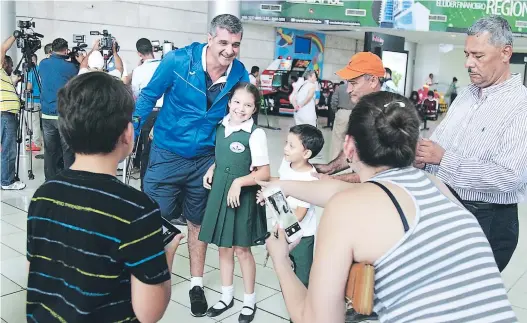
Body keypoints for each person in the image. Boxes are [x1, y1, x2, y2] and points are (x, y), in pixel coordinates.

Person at [261, 91, 517, 323]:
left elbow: (314, 320)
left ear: (349, 147)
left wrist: (281, 258)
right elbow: (343, 192)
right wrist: (282, 185)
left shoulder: (346, 208)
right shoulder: (437, 185)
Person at [26, 71, 185, 322]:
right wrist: (166, 256)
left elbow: (36, 271)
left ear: (66, 130)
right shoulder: (137, 209)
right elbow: (149, 313)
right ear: (127, 134)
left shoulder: (44, 194)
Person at [134, 14, 249, 317]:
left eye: (235, 44)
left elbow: (245, 117)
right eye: (223, 42)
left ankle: (195, 284)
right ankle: (152, 281)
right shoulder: (177, 61)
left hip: (206, 161)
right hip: (167, 154)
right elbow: (148, 97)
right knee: (154, 222)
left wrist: (235, 161)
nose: (229, 50)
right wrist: (129, 134)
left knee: (199, 223)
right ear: (210, 38)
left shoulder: (238, 73)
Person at [416, 16, 527, 273]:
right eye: (467, 54)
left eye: (478, 56)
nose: (468, 63)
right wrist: (421, 154)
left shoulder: (520, 106)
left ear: (505, 53)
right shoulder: (465, 95)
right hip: (445, 207)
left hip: (486, 219)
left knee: (458, 299)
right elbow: (438, 144)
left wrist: (444, 159)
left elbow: (510, 177)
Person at [199, 83, 269, 323]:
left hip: (242, 197)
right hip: (220, 192)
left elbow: (264, 173)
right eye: (237, 102)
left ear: (254, 108)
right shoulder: (221, 126)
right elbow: (222, 156)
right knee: (223, 247)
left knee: (242, 249)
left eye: (248, 105)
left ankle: (249, 300)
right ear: (229, 102)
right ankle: (226, 295)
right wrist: (213, 167)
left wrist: (240, 182)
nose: (241, 109)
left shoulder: (255, 134)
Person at [313, 52, 385, 183]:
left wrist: (332, 179)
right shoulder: (363, 110)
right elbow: (356, 149)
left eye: (354, 83)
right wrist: (328, 168)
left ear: (373, 81)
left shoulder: (388, 116)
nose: (348, 90)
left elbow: (378, 173)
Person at [276, 124, 323, 289]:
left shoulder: (309, 178)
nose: (285, 148)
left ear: (306, 153)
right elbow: (280, 185)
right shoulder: (286, 163)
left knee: (303, 275)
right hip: (284, 228)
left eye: (291, 146)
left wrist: (281, 225)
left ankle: (303, 308)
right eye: (286, 143)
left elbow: (300, 213)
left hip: (302, 236)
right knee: (286, 269)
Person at [39, 38, 79, 180]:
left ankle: (49, 180)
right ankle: (68, 180)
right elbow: (76, 77)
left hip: (46, 115)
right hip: (62, 115)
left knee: (50, 151)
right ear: (65, 49)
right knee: (67, 150)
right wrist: (76, 60)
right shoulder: (70, 67)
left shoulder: (43, 64)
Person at [131, 38, 163, 189]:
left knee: (146, 151)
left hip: (148, 112)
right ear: (152, 49)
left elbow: (136, 94)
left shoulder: (138, 71)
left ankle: (145, 187)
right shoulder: (164, 65)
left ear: (139, 53)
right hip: (166, 113)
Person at [1, 35, 26, 190]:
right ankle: (7, 181)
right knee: (9, 149)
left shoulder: (3, 76)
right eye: (9, 65)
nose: (11, 68)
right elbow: (3, 48)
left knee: (5, 148)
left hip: (6, 114)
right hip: (5, 114)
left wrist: (15, 82)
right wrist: (16, 35)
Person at [330, 80, 354, 160]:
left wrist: (336, 111)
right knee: (351, 140)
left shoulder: (341, 88)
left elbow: (334, 101)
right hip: (355, 113)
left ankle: (335, 161)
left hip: (342, 113)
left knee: (338, 139)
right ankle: (348, 163)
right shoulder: (358, 88)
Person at [26, 53, 43, 152]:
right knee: (37, 122)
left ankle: (36, 143)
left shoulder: (32, 70)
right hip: (39, 99)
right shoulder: (40, 69)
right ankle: (36, 142)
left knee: (33, 123)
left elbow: (29, 87)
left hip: (32, 100)